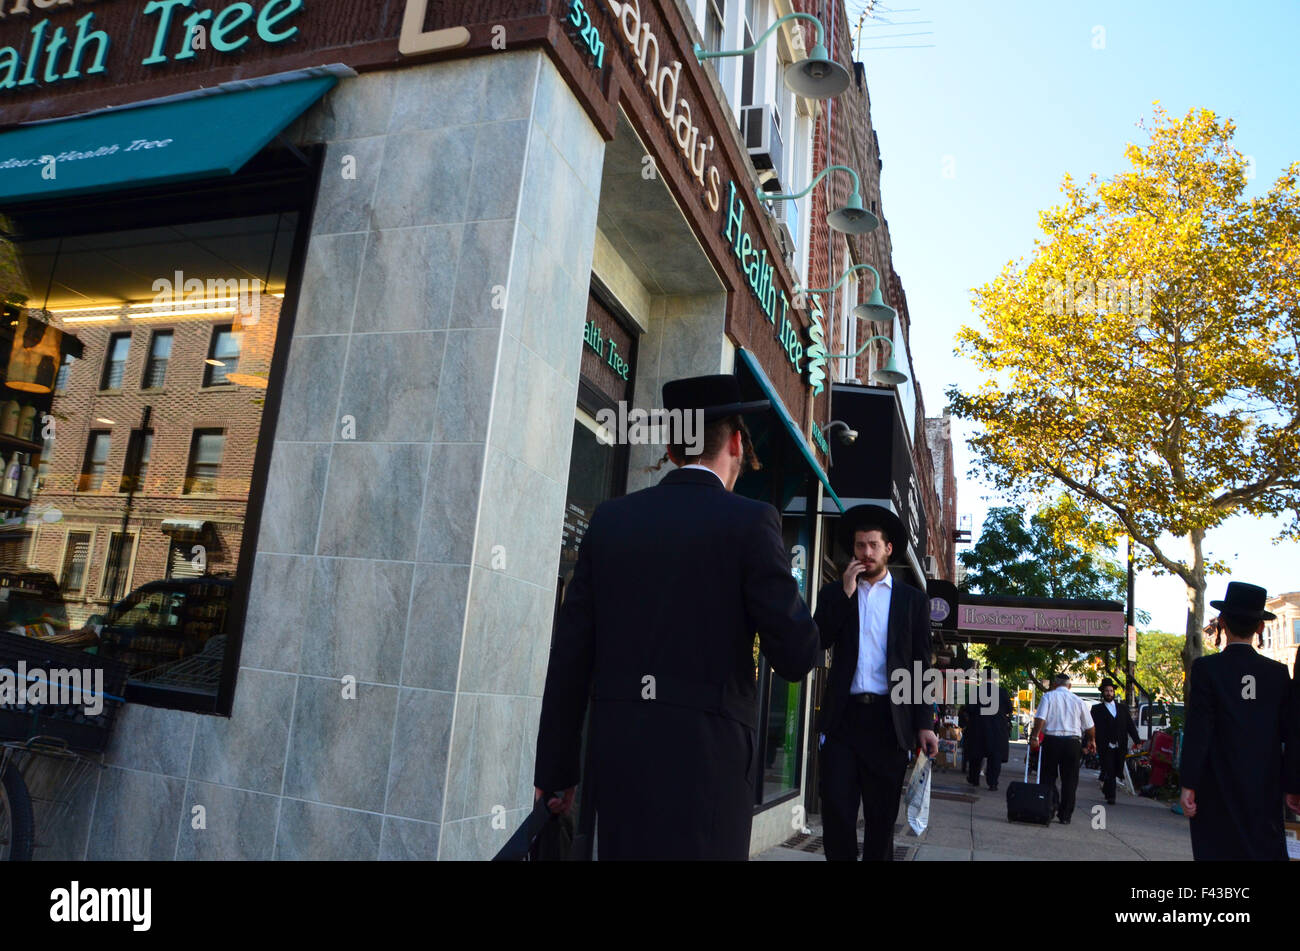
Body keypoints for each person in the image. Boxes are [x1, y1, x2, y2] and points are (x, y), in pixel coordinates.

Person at [531, 374, 820, 860]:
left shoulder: (611, 520)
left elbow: (570, 659)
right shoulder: (752, 523)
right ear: (734, 441)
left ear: (670, 446)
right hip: (709, 772)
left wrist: (556, 774)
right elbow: (796, 654)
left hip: (620, 765)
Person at [813, 504, 939, 861]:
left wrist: (924, 724)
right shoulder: (836, 593)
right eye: (859, 546)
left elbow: (920, 665)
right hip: (843, 720)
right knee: (836, 811)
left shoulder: (912, 601)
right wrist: (844, 593)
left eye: (872, 545)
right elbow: (819, 639)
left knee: (882, 819)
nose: (865, 553)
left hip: (889, 721)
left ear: (888, 550)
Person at [1179, 582, 1300, 860]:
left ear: (1222, 622)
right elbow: (1292, 733)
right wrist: (1293, 785)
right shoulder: (1278, 674)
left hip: (1216, 785)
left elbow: (1199, 729)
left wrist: (1189, 782)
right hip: (1264, 787)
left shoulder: (1206, 670)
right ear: (1260, 627)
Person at [1029, 673, 1096, 824]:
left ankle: (1050, 807)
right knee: (1070, 780)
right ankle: (1065, 815)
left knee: (1048, 777)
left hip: (1052, 741)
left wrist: (1034, 737)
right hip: (1073, 743)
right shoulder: (1078, 701)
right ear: (1069, 686)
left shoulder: (1048, 697)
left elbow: (1040, 718)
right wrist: (1092, 740)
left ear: (1054, 685)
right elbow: (1090, 726)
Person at [1091, 677, 1140, 804]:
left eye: (1111, 691)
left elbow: (1130, 725)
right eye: (1107, 691)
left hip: (1120, 744)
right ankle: (1112, 796)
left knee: (1117, 768)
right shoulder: (1096, 710)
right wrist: (1090, 742)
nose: (1109, 693)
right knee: (1110, 769)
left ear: (1114, 692)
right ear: (1103, 692)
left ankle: (1107, 787)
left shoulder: (1122, 709)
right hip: (1105, 745)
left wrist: (1137, 740)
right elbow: (1091, 727)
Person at [962, 668, 1011, 791]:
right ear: (994, 678)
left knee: (976, 755)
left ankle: (974, 779)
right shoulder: (1002, 692)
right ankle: (992, 783)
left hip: (979, 728)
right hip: (997, 729)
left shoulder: (976, 691)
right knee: (995, 756)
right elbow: (1009, 709)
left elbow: (969, 709)